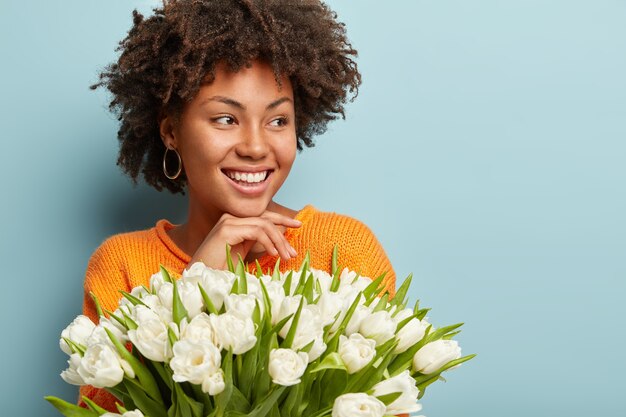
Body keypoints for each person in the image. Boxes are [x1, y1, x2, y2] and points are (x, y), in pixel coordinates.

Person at [82, 0, 397, 411]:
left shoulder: (344, 250)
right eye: (226, 119)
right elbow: (103, 410)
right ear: (171, 131)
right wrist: (197, 289)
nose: (254, 146)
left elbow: (387, 403)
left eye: (278, 120)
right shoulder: (122, 266)